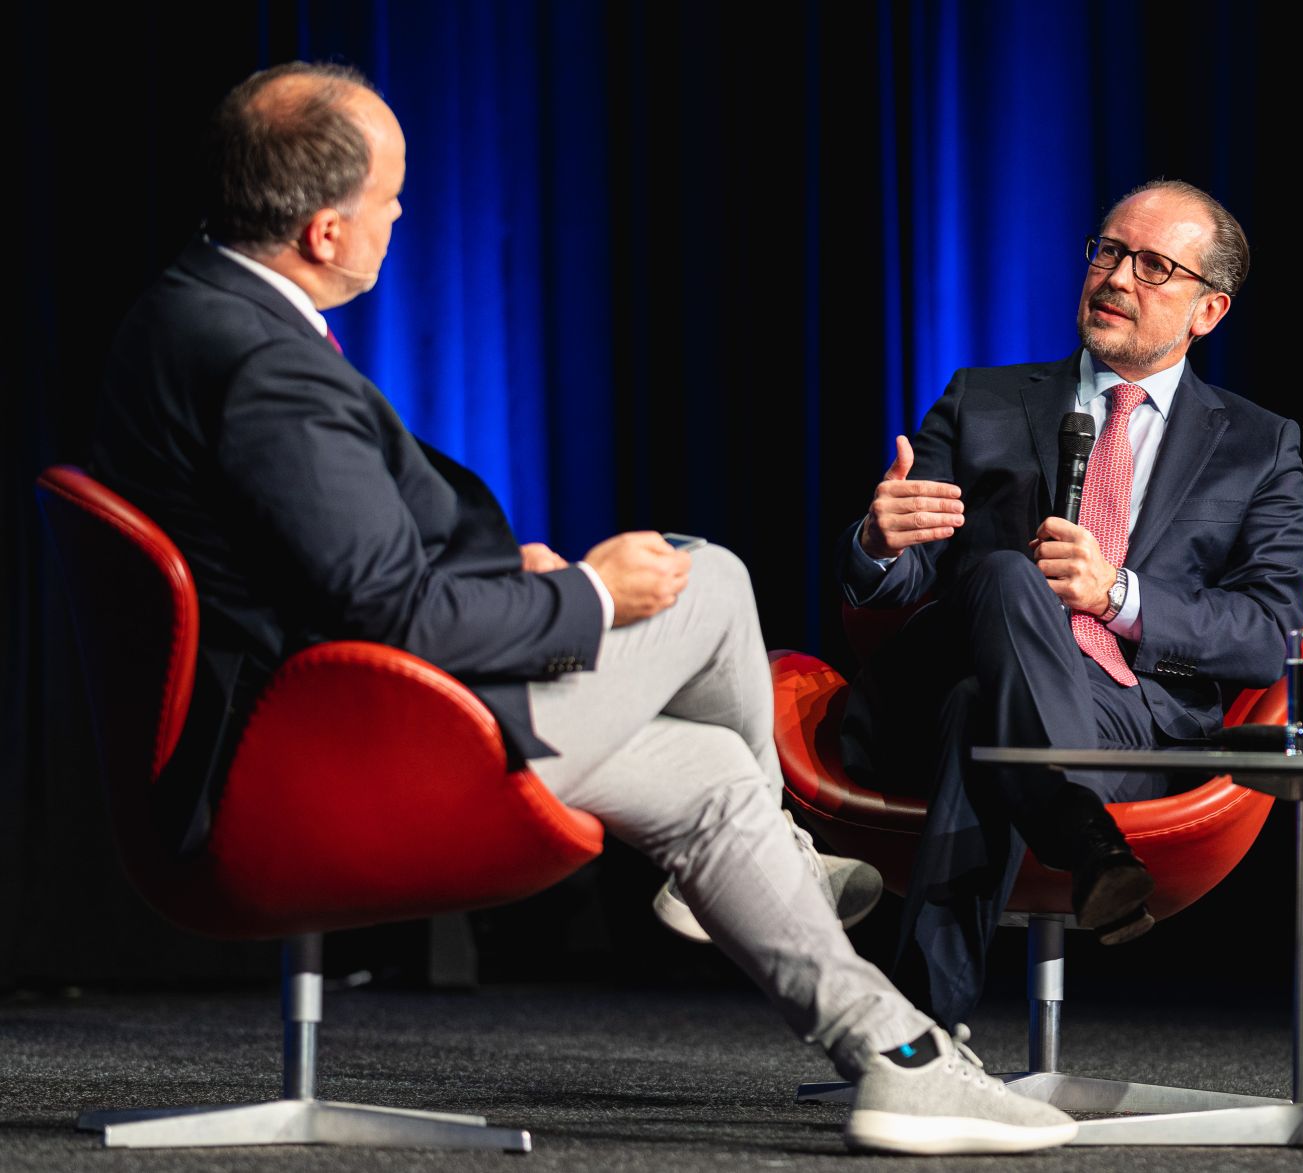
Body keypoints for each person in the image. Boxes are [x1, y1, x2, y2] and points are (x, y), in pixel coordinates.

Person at [90, 61, 1075, 1156]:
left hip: (333, 718)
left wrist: (502, 578)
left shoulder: (183, 310)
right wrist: (588, 595)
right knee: (706, 579)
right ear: (323, 231)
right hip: (333, 758)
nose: (401, 217)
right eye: (391, 198)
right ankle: (793, 859)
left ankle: (899, 1060)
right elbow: (393, 623)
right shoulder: (263, 367)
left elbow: (309, 568)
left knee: (705, 779)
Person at [837, 179, 1303, 1028]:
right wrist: (880, 543)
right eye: (1108, 251)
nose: (1118, 277)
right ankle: (1075, 826)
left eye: (1155, 265)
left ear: (1209, 310)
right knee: (1011, 581)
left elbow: (1270, 633)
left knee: (979, 716)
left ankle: (918, 1041)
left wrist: (1118, 596)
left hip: (1130, 719)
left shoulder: (1259, 444)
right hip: (947, 675)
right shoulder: (982, 399)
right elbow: (909, 584)